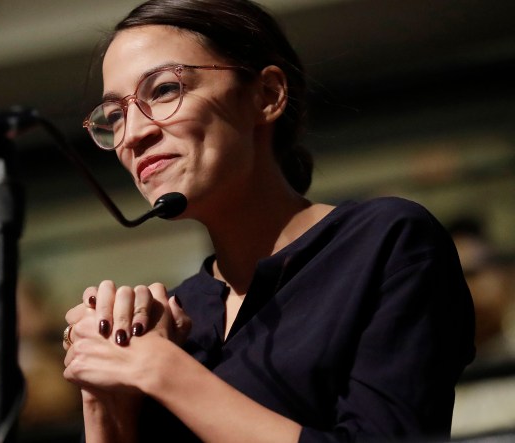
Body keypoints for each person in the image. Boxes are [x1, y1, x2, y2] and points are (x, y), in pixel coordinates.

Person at [61, 0, 476, 442]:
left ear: (268, 94)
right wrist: (102, 397)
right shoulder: (175, 315)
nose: (133, 134)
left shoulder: (385, 242)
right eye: (116, 116)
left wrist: (163, 371)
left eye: (163, 89)